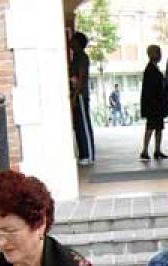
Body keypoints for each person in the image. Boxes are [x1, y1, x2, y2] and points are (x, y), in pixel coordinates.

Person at [69, 31, 95, 166]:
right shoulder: (76, 57)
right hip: (76, 95)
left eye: (72, 40)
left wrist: (75, 96)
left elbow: (81, 77)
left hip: (80, 95)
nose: (70, 42)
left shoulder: (82, 58)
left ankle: (88, 154)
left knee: (83, 125)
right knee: (78, 125)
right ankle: (83, 153)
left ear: (78, 43)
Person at [139, 44, 168, 162]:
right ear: (154, 54)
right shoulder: (150, 70)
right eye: (159, 52)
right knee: (151, 127)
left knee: (158, 127)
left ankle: (157, 150)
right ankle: (145, 150)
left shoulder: (153, 68)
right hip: (153, 104)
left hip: (157, 104)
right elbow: (153, 89)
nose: (160, 55)